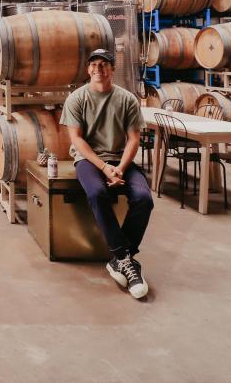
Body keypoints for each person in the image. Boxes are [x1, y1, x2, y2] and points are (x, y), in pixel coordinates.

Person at [59, 49, 153, 299]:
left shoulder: (126, 99)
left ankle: (120, 259)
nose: (99, 69)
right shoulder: (77, 98)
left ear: (112, 69)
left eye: (104, 64)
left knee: (144, 198)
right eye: (94, 64)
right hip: (89, 160)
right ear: (88, 69)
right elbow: (77, 140)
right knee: (97, 192)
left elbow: (134, 139)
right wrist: (104, 167)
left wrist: (120, 167)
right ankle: (124, 256)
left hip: (120, 159)